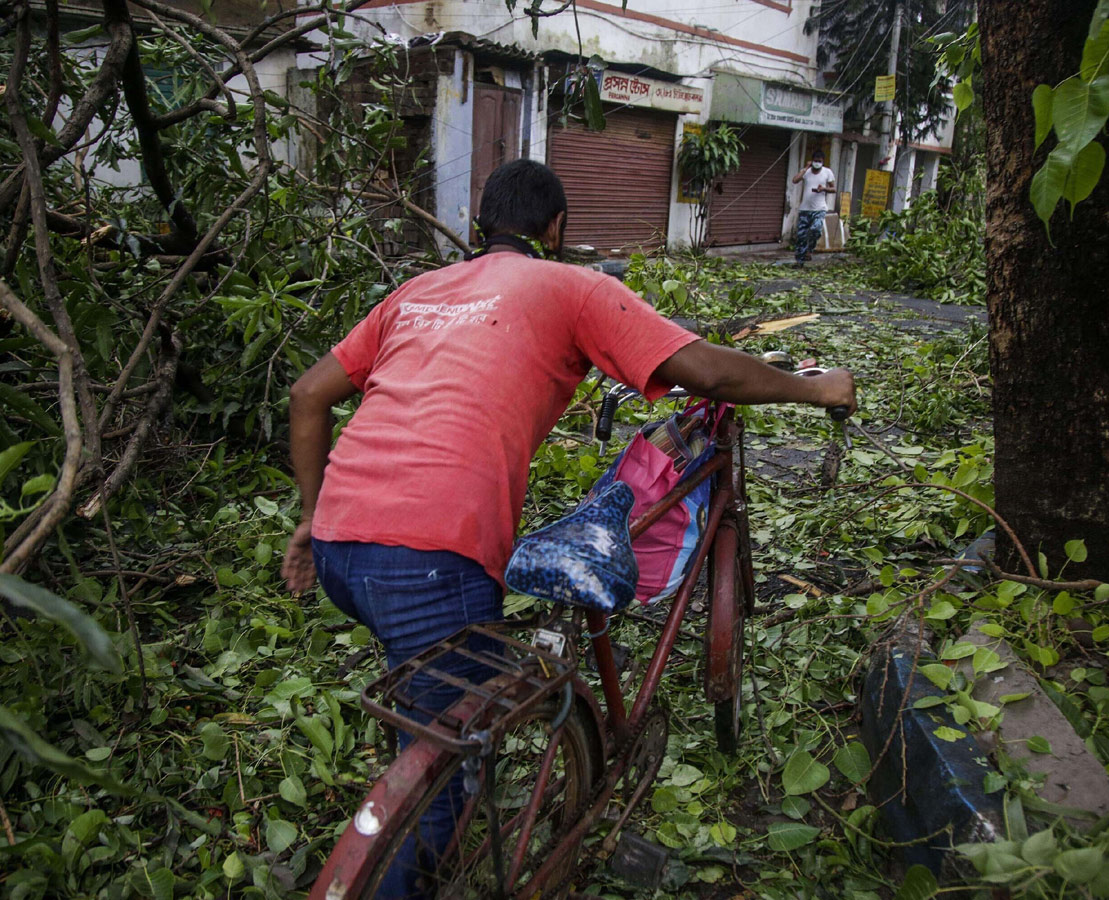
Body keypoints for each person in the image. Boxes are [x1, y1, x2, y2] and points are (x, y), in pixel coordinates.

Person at [281, 159, 855, 897]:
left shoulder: (415, 293)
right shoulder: (573, 286)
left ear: (479, 226)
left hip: (338, 547)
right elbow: (707, 372)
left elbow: (306, 397)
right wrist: (815, 388)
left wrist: (310, 513)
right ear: (555, 229)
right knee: (444, 783)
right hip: (428, 556)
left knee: (428, 712)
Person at [792, 149, 836, 266]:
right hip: (805, 208)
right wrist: (805, 168)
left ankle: (809, 250)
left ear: (823, 162)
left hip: (819, 209)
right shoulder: (806, 172)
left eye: (819, 161)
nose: (817, 163)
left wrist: (824, 189)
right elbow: (795, 180)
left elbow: (833, 189)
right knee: (801, 235)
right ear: (812, 161)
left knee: (816, 230)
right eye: (815, 161)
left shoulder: (827, 172)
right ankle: (799, 261)